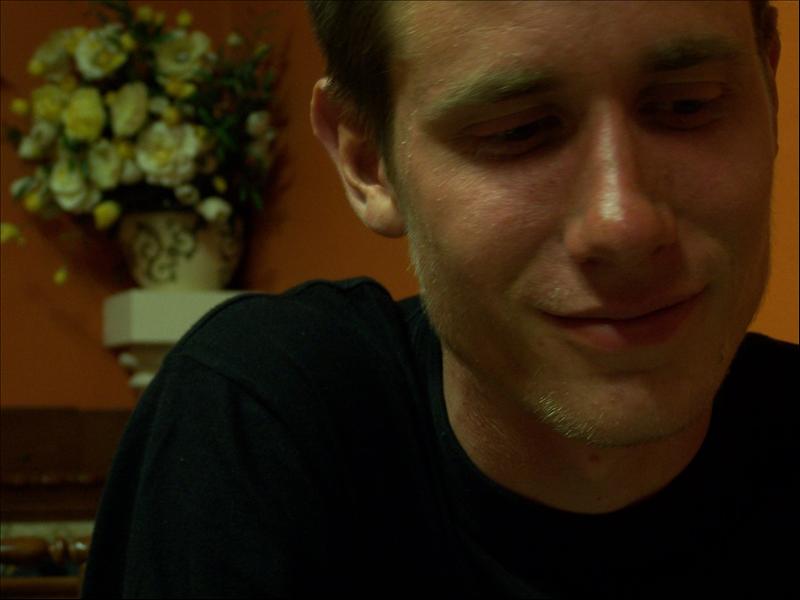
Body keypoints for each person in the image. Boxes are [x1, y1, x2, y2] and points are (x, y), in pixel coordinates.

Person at [83, 1, 797, 597]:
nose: (623, 224)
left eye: (688, 105)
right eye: (517, 132)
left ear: (770, 92)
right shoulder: (268, 420)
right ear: (366, 159)